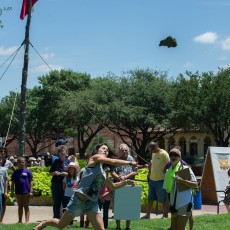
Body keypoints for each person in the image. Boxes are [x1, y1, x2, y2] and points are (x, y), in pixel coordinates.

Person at [33, 143, 136, 230]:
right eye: (103, 148)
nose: (106, 150)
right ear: (97, 150)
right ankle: (44, 223)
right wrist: (130, 162)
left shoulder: (103, 172)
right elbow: (113, 161)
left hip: (92, 203)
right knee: (60, 225)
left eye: (107, 150)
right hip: (78, 201)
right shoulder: (94, 158)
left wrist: (126, 182)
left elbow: (112, 186)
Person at [165, 148, 198, 230]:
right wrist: (166, 207)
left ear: (180, 158)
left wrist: (182, 181)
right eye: (171, 154)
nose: (173, 156)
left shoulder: (185, 169)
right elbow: (167, 191)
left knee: (180, 227)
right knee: (175, 228)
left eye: (176, 155)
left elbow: (195, 185)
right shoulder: (168, 172)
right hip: (173, 204)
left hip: (185, 203)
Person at [111, 143, 137, 230]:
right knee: (117, 206)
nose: (125, 152)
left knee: (128, 206)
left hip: (129, 184)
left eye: (126, 150)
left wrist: (125, 177)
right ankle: (118, 226)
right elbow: (112, 171)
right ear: (119, 151)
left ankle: (127, 227)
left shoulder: (131, 159)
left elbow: (135, 171)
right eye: (123, 150)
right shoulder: (115, 160)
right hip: (118, 185)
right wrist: (118, 177)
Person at [141, 141, 170, 219]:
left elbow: (169, 164)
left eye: (152, 150)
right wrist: (149, 170)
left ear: (156, 147)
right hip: (152, 180)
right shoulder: (153, 154)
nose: (151, 151)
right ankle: (148, 215)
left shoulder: (164, 154)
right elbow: (152, 164)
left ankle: (164, 215)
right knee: (150, 198)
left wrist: (165, 169)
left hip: (161, 180)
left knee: (162, 199)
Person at [49, 145, 70, 219]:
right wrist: (55, 173)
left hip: (66, 185)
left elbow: (73, 174)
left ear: (66, 152)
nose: (63, 152)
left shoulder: (69, 162)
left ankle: (66, 220)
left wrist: (66, 174)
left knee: (66, 203)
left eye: (64, 151)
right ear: (59, 153)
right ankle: (56, 219)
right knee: (56, 203)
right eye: (61, 151)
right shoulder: (56, 162)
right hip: (56, 184)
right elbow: (50, 173)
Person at [11, 156, 33, 224]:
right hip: (18, 191)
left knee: (26, 205)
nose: (21, 163)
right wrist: (12, 191)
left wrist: (31, 191)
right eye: (19, 162)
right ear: (17, 163)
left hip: (26, 191)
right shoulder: (15, 172)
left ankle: (27, 221)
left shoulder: (28, 171)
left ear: (25, 163)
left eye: (22, 162)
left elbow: (31, 181)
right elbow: (12, 183)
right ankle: (20, 220)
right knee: (20, 206)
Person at [0, 147, 15, 223]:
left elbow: (14, 171)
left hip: (4, 184)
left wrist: (10, 178)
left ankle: (1, 219)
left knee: (3, 203)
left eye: (4, 151)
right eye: (1, 151)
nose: (3, 152)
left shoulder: (8, 162)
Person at [62, 162, 80, 226]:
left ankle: (70, 222)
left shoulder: (77, 178)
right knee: (66, 209)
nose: (71, 170)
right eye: (70, 169)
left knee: (72, 210)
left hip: (74, 196)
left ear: (75, 170)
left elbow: (78, 187)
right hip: (67, 195)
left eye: (72, 169)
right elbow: (64, 187)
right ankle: (65, 222)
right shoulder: (66, 178)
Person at [0, 155, 8, 224]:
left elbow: (6, 181)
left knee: (3, 205)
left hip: (1, 191)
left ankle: (1, 219)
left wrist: (6, 191)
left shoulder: (4, 169)